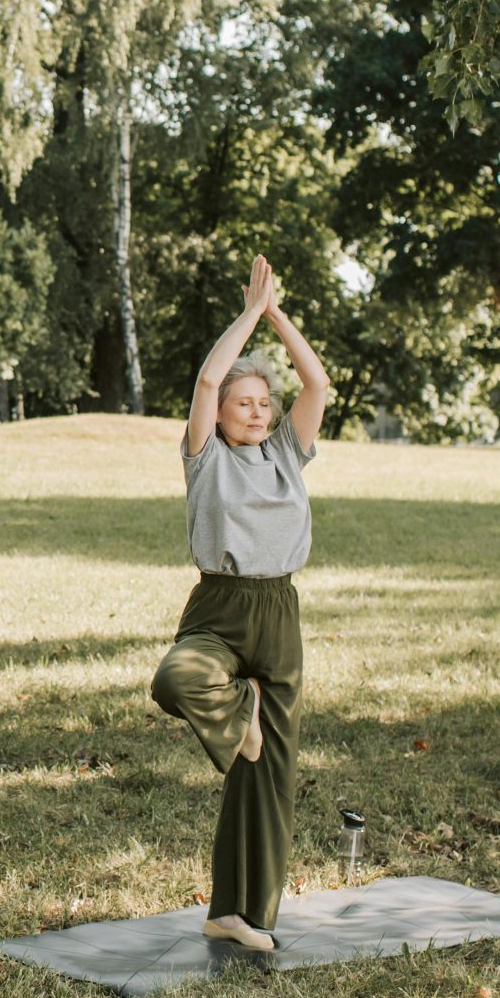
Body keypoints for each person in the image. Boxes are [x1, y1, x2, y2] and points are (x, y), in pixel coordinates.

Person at [149, 255, 332, 953]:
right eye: (241, 402)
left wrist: (278, 313)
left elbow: (315, 381)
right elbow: (203, 377)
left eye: (263, 402)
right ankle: (239, 715)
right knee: (178, 677)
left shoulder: (288, 452)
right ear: (219, 413)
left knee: (270, 782)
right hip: (220, 610)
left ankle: (239, 912)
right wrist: (248, 315)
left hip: (279, 611)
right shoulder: (205, 457)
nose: (255, 412)